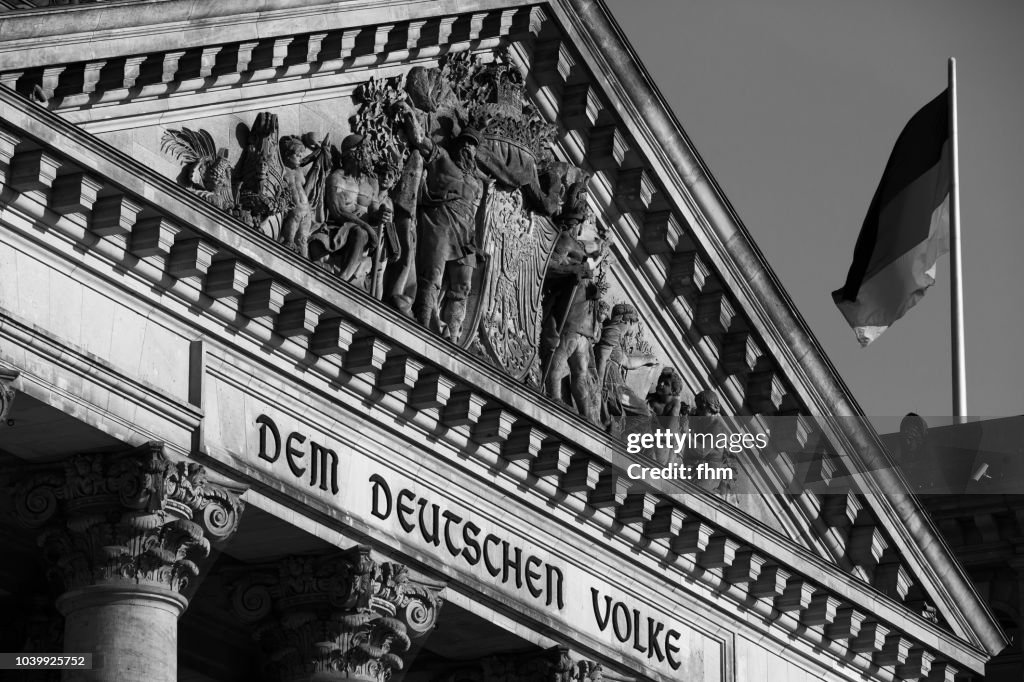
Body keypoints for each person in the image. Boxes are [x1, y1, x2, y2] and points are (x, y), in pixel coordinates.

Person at [401, 103, 486, 341]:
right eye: (465, 144)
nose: (468, 149)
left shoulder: (476, 182)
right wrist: (410, 114)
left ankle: (455, 336)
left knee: (463, 287)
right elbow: (420, 139)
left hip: (466, 237)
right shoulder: (444, 159)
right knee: (433, 275)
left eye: (472, 147)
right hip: (440, 223)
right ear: (457, 146)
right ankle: (424, 321)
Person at [309, 134, 392, 287]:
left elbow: (373, 211)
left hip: (367, 236)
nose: (370, 155)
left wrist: (380, 215)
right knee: (360, 232)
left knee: (365, 234)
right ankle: (342, 281)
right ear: (356, 153)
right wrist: (365, 226)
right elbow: (337, 211)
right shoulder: (337, 178)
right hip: (339, 228)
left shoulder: (371, 184)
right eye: (366, 150)